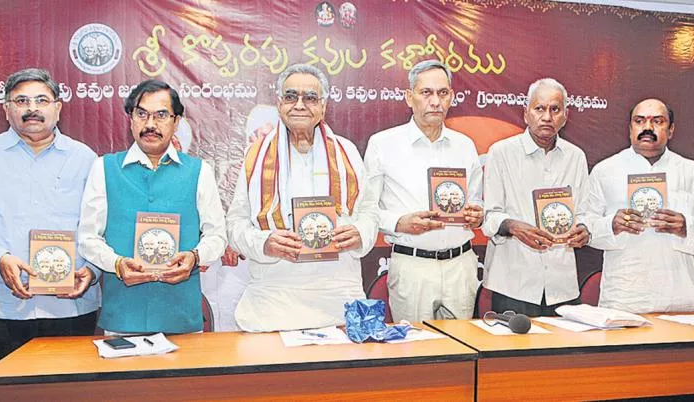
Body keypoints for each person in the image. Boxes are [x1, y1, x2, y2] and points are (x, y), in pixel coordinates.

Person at [0, 68, 100, 365]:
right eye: (21, 101)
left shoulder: (86, 159)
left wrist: (93, 271)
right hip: (2, 307)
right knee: (9, 393)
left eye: (42, 100)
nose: (33, 109)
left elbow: (105, 225)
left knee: (70, 394)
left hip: (70, 307)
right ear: (6, 109)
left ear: (58, 107)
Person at [227, 64, 378, 332]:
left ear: (323, 106)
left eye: (310, 98)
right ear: (279, 103)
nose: (299, 105)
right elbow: (235, 223)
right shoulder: (256, 155)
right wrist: (265, 243)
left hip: (336, 296)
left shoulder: (347, 151)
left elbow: (369, 212)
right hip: (274, 299)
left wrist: (360, 233)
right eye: (290, 96)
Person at [78, 79, 227, 334]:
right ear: (131, 118)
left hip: (181, 317)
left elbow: (217, 236)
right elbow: (88, 239)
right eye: (142, 114)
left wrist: (194, 258)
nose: (150, 124)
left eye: (161, 115)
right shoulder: (104, 168)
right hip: (123, 316)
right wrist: (116, 264)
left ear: (176, 121)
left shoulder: (199, 171)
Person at [363, 60, 483, 321]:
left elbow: (476, 201)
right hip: (412, 266)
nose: (435, 102)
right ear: (409, 97)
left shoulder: (465, 145)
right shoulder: (383, 144)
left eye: (443, 93)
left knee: (462, 354)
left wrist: (477, 214)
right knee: (416, 353)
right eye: (426, 93)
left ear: (451, 97)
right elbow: (366, 210)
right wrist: (399, 222)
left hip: (460, 265)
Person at [583, 98, 694, 313]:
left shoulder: (692, 172)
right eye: (640, 121)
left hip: (680, 300)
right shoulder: (605, 171)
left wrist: (686, 226)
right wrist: (611, 225)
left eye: (658, 121)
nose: (647, 128)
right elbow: (583, 225)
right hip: (623, 301)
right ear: (630, 128)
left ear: (670, 130)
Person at [482, 78, 591, 317]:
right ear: (526, 113)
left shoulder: (576, 157)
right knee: (513, 354)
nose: (547, 117)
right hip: (513, 283)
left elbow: (584, 213)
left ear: (565, 115)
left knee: (562, 354)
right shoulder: (501, 153)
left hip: (562, 285)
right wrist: (513, 226)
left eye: (555, 109)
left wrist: (584, 229)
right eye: (539, 108)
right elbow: (489, 216)